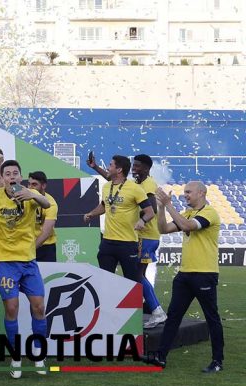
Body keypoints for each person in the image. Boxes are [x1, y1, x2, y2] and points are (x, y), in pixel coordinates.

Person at [0, 160, 51, 379]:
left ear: (20, 176)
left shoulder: (29, 193)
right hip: (5, 262)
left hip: (28, 261)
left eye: (15, 173)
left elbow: (47, 204)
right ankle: (15, 357)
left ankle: (39, 354)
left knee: (39, 307)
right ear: (2, 178)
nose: (12, 177)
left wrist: (32, 195)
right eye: (8, 174)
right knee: (12, 308)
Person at [146, 182, 224, 373]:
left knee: (211, 317)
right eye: (185, 192)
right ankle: (161, 356)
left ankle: (217, 361)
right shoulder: (188, 213)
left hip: (204, 274)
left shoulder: (209, 213)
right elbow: (163, 229)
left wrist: (169, 204)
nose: (185, 195)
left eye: (188, 192)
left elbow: (188, 226)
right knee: (173, 317)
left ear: (201, 193)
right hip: (185, 274)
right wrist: (162, 207)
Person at [84, 155, 155, 283]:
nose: (108, 167)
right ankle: (108, 303)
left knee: (132, 281)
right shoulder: (106, 187)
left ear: (119, 170)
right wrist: (91, 214)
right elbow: (105, 205)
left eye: (110, 165)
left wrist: (142, 221)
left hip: (127, 243)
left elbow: (150, 212)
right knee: (105, 280)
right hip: (107, 242)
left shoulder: (135, 189)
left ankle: (135, 303)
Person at [132, 154, 167, 329]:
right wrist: (95, 167)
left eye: (137, 166)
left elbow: (151, 208)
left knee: (137, 275)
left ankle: (157, 311)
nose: (133, 169)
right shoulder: (140, 184)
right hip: (146, 236)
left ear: (146, 168)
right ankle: (144, 309)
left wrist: (129, 215)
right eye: (133, 165)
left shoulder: (147, 185)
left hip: (146, 236)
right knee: (139, 275)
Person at [27, 171, 58, 262]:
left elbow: (46, 233)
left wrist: (30, 250)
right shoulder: (25, 196)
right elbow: (11, 187)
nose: (30, 187)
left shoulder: (51, 203)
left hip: (46, 247)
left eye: (34, 185)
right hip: (28, 244)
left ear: (43, 186)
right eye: (29, 184)